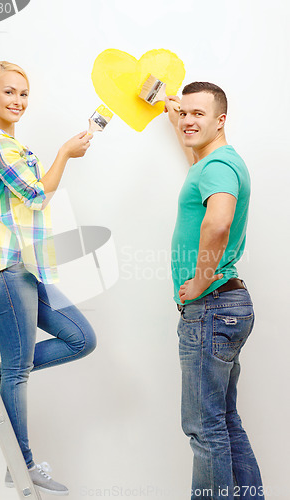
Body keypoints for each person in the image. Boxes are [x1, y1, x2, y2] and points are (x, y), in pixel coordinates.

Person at [0, 61, 96, 496]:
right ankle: (20, 465)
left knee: (81, 338)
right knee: (20, 373)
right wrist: (64, 153)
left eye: (24, 94)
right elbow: (38, 194)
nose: (18, 101)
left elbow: (31, 196)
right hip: (5, 269)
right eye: (9, 93)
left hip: (22, 269)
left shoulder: (7, 143)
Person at [164, 82, 264, 500]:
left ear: (221, 121)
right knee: (223, 421)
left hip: (211, 306)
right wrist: (175, 112)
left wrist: (202, 279)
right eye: (184, 113)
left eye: (198, 115)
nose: (188, 121)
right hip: (226, 307)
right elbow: (193, 138)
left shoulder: (217, 167)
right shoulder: (214, 159)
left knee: (204, 429)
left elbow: (218, 222)